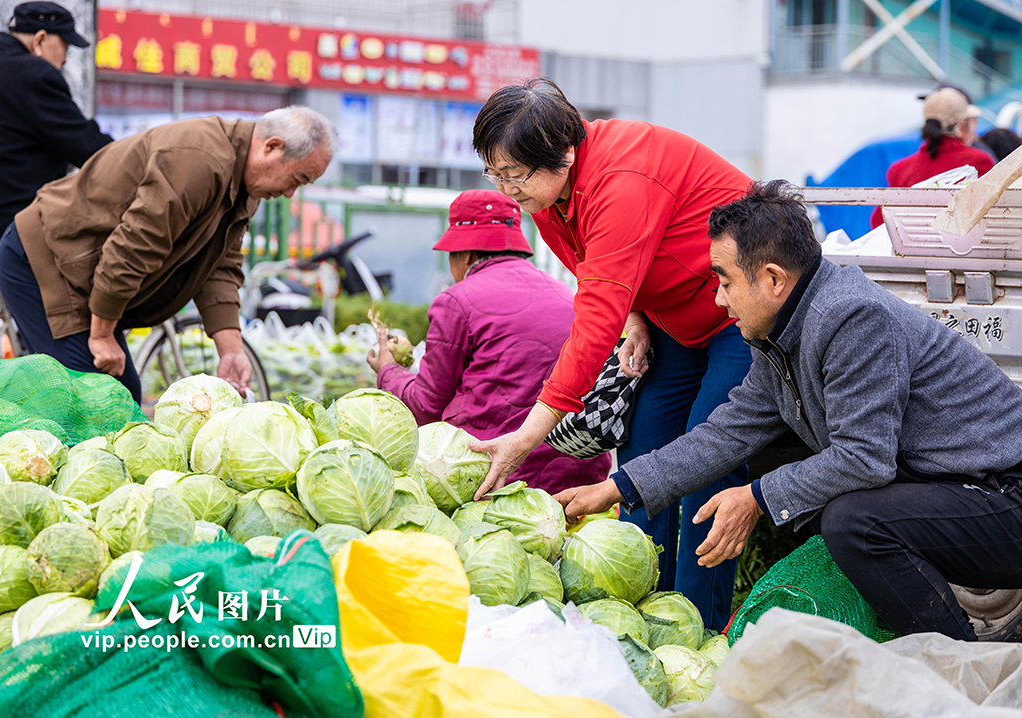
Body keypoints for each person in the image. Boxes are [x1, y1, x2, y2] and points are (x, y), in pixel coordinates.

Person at [557, 180, 1022, 641]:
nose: (719, 299)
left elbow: (864, 459)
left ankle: (959, 658)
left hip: (1006, 495)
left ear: (774, 279)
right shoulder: (778, 336)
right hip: (966, 492)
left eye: (724, 281)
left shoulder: (850, 317)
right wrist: (615, 488)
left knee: (853, 522)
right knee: (841, 515)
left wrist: (756, 497)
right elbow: (726, 433)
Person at [466, 77, 753, 632]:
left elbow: (594, 314)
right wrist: (637, 318)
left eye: (514, 174)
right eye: (494, 173)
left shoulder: (621, 180)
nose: (506, 191)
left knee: (704, 463)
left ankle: (698, 630)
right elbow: (593, 269)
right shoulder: (549, 195)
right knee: (644, 452)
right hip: (673, 321)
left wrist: (527, 436)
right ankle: (642, 610)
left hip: (736, 319)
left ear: (566, 153)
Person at [0, 106, 335, 404]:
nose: (290, 193)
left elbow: (220, 265)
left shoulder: (247, 184)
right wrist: (101, 335)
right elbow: (133, 247)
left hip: (89, 275)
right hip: (45, 261)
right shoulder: (200, 161)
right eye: (297, 179)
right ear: (271, 147)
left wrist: (231, 348)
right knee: (92, 400)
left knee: (122, 393)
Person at [367, 190, 612, 494]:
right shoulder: (566, 294)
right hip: (580, 482)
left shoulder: (456, 301)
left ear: (464, 254)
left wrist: (387, 370)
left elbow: (425, 407)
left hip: (493, 479)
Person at [0, 1, 112, 238]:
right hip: (13, 229)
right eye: (65, 46)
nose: (66, 60)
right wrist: (137, 157)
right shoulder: (33, 75)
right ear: (39, 40)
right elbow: (87, 145)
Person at [871, 87, 994, 228]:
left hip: (911, 248)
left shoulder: (899, 169)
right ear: (961, 127)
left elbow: (878, 223)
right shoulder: (978, 162)